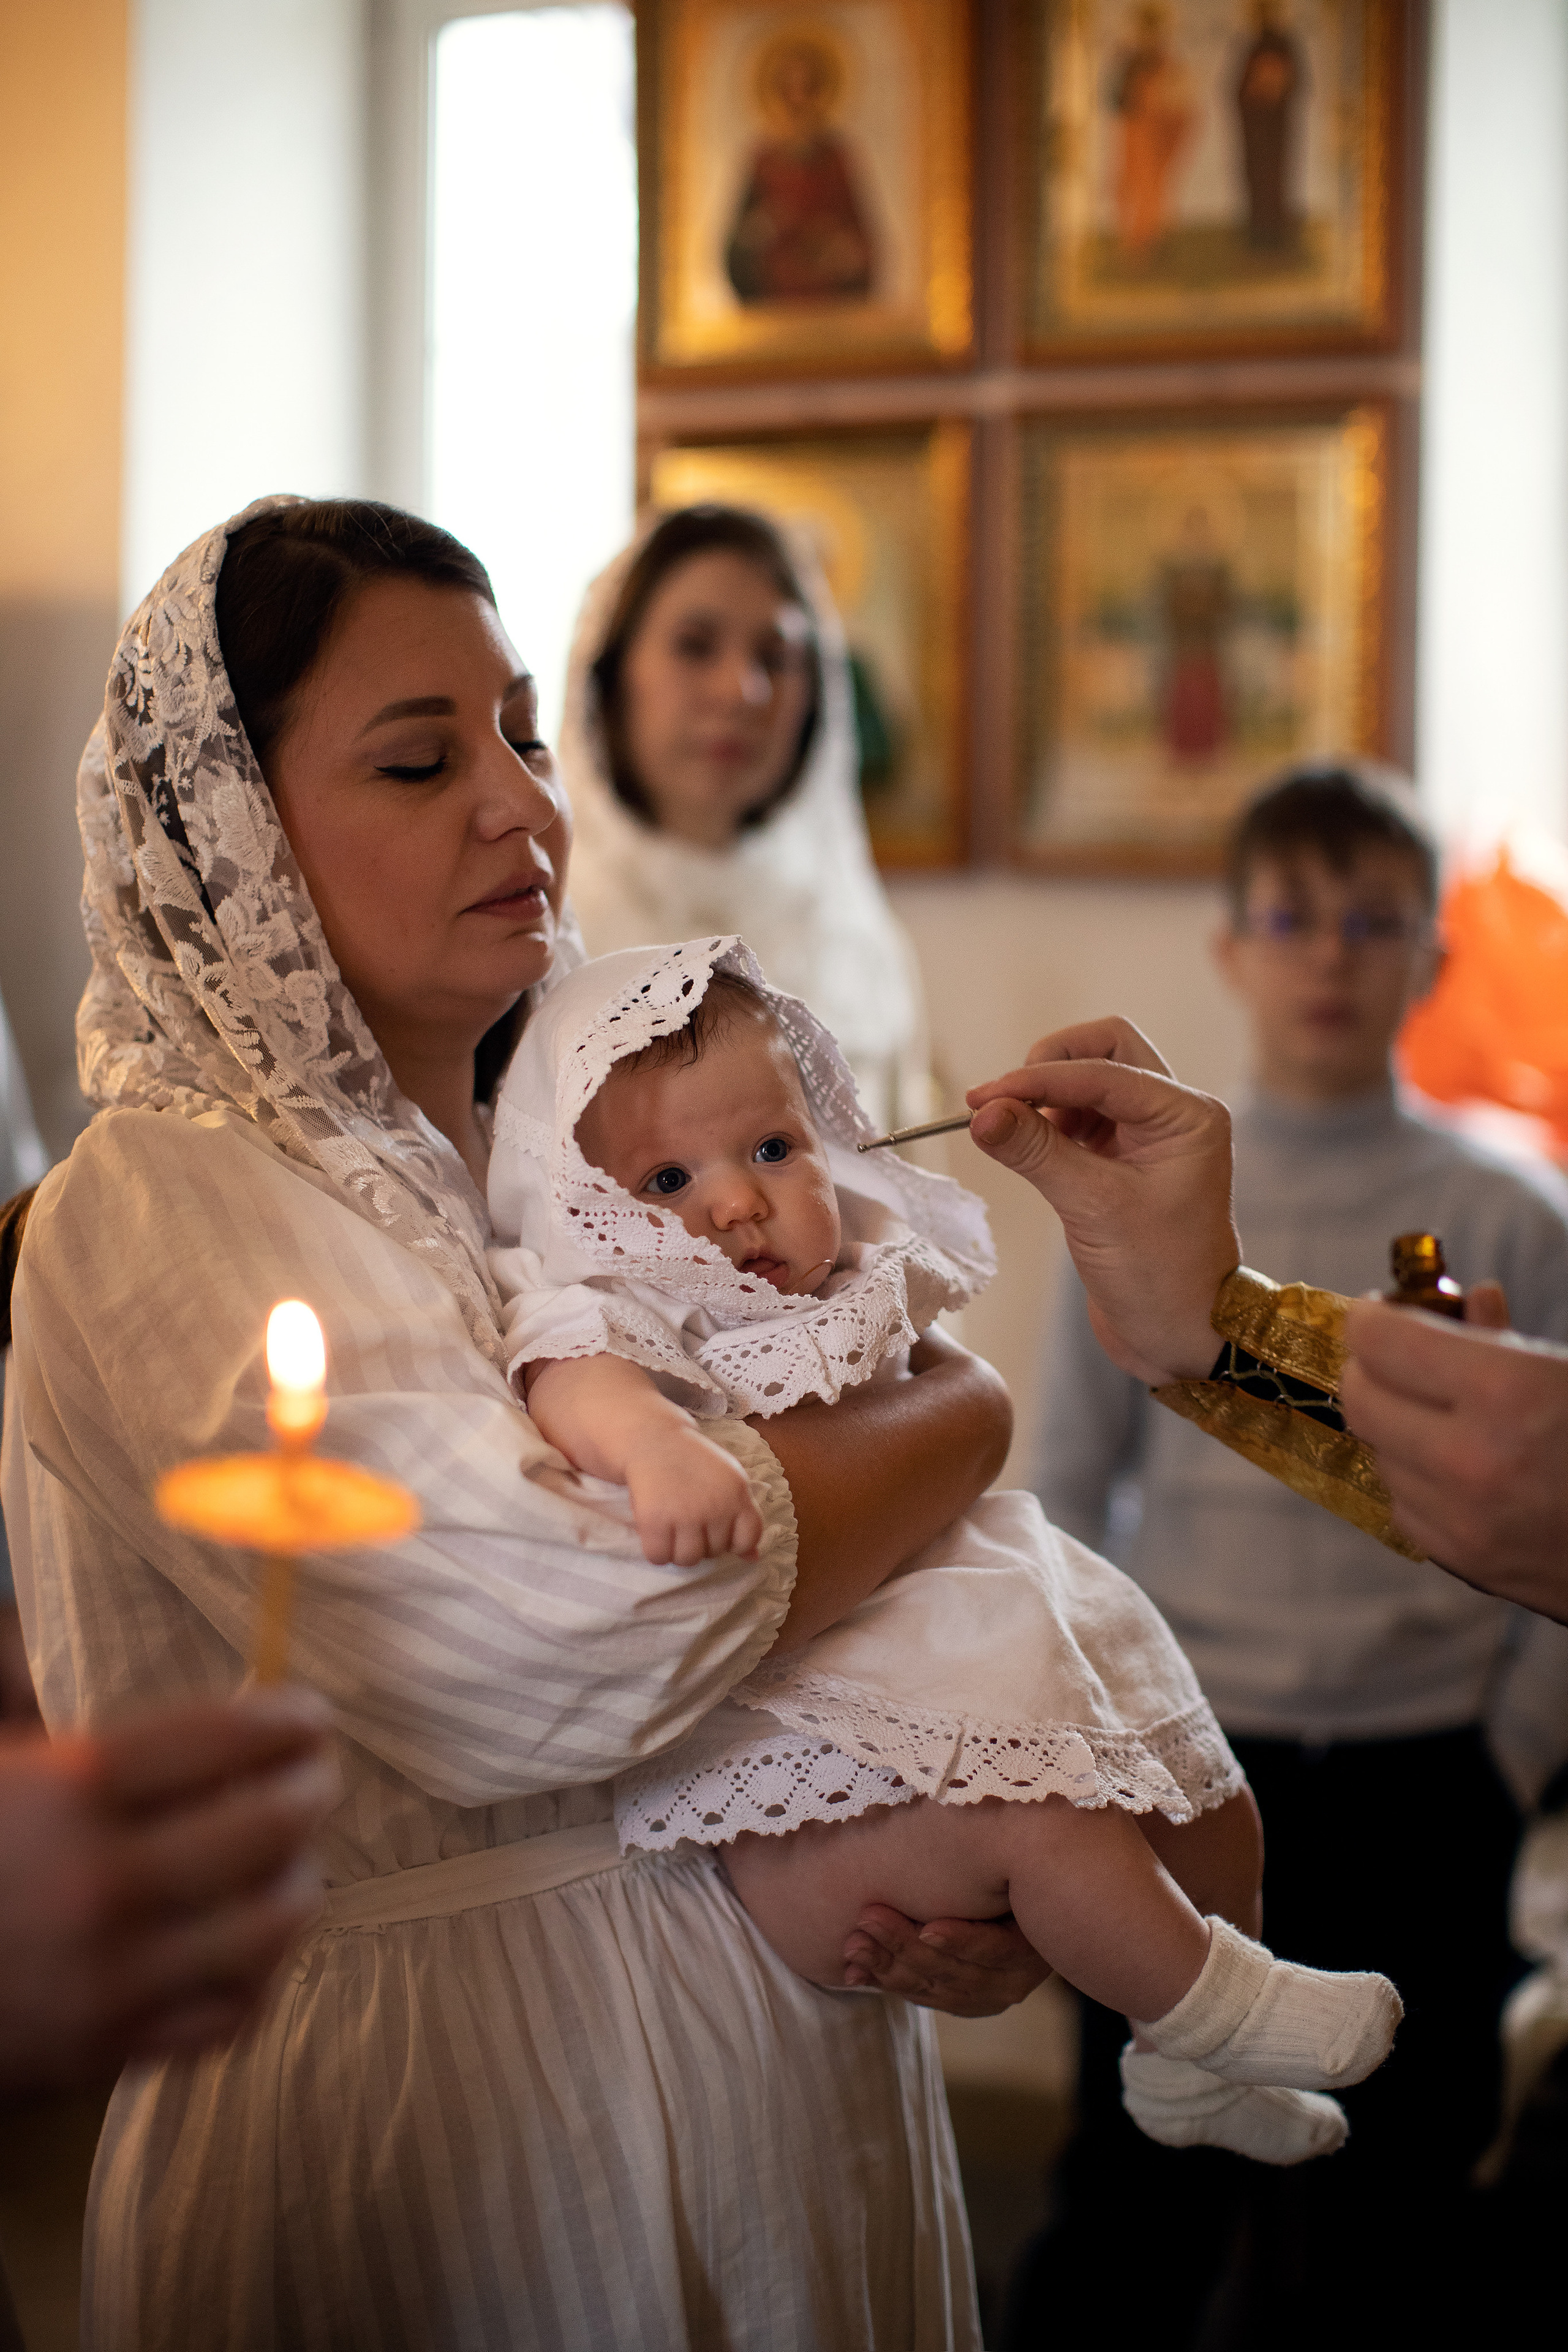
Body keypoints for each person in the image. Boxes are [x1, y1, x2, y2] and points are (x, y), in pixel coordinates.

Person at [6, 495, 1046, 2352]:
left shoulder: (587, 1157)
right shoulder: (159, 1201)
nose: (519, 803)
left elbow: (859, 1584)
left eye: (518, 733)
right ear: (229, 838)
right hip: (438, 2114)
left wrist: (938, 1837)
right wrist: (959, 1414)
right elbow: (558, 1640)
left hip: (789, 2061)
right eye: (419, 759)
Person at [487, 932, 1403, 2168]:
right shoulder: (621, 1311)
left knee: (1196, 1772)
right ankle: (1210, 2003)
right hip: (817, 1758)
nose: (739, 1202)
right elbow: (571, 1380)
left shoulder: (858, 1269)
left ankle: (1187, 2065)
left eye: (771, 1148)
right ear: (584, 1205)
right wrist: (655, 1449)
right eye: (665, 1181)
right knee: (1050, 1823)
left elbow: (958, 1393)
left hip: (965, 1635)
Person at [1018, 769, 1568, 2343]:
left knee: (1392, 2211)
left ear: (1429, 958)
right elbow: (1065, 1487)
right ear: (1228, 949)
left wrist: (1503, 1751)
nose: (1325, 956)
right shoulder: (1146, 1197)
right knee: (1132, 2194)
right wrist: (1087, 1742)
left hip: (1426, 1772)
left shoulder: (1502, 1206)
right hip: (1189, 1760)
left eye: (1368, 920)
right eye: (1288, 918)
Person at [557, 502, 932, 1133]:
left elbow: (915, 1203)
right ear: (612, 677)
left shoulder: (855, 943)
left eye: (775, 656)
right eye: (695, 647)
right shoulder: (545, 938)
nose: (742, 690)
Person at [724, 31, 876, 304]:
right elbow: (737, 250)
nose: (798, 99)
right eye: (789, 89)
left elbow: (863, 247)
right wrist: (763, 228)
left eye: (807, 88)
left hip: (829, 303)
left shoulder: (836, 159)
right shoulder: (763, 161)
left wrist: (841, 249)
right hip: (774, 300)